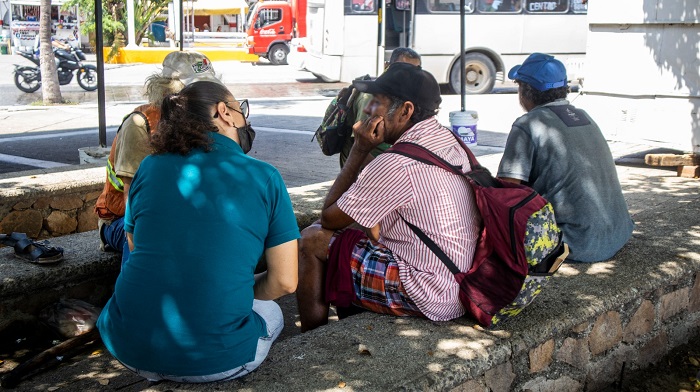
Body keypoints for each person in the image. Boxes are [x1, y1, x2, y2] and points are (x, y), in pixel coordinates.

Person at [97, 81, 300, 383]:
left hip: (127, 347)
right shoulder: (264, 176)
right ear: (224, 112)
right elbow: (285, 281)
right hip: (216, 361)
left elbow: (136, 246)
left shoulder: (148, 167)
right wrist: (239, 290)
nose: (244, 119)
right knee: (272, 313)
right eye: (240, 110)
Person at [297, 63, 481, 332]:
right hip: (460, 281)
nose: (368, 110)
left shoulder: (396, 164)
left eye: (375, 103)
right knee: (360, 233)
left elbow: (329, 218)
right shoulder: (446, 140)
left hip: (429, 293)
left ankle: (311, 338)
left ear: (406, 110)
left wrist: (359, 150)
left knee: (312, 239)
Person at [497, 52, 634, 262]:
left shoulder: (528, 124)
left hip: (578, 242)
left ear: (525, 91)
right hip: (617, 234)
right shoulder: (583, 116)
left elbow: (507, 191)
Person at [95, 51, 223, 265]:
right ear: (168, 91)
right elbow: (132, 204)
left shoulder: (202, 122)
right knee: (152, 237)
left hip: (177, 212)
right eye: (196, 90)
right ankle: (133, 295)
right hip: (119, 220)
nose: (205, 97)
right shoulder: (139, 124)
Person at [339, 47, 422, 168]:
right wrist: (382, 173)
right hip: (363, 166)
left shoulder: (406, 95)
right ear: (387, 66)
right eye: (401, 68)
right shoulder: (370, 97)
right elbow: (358, 146)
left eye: (414, 71)